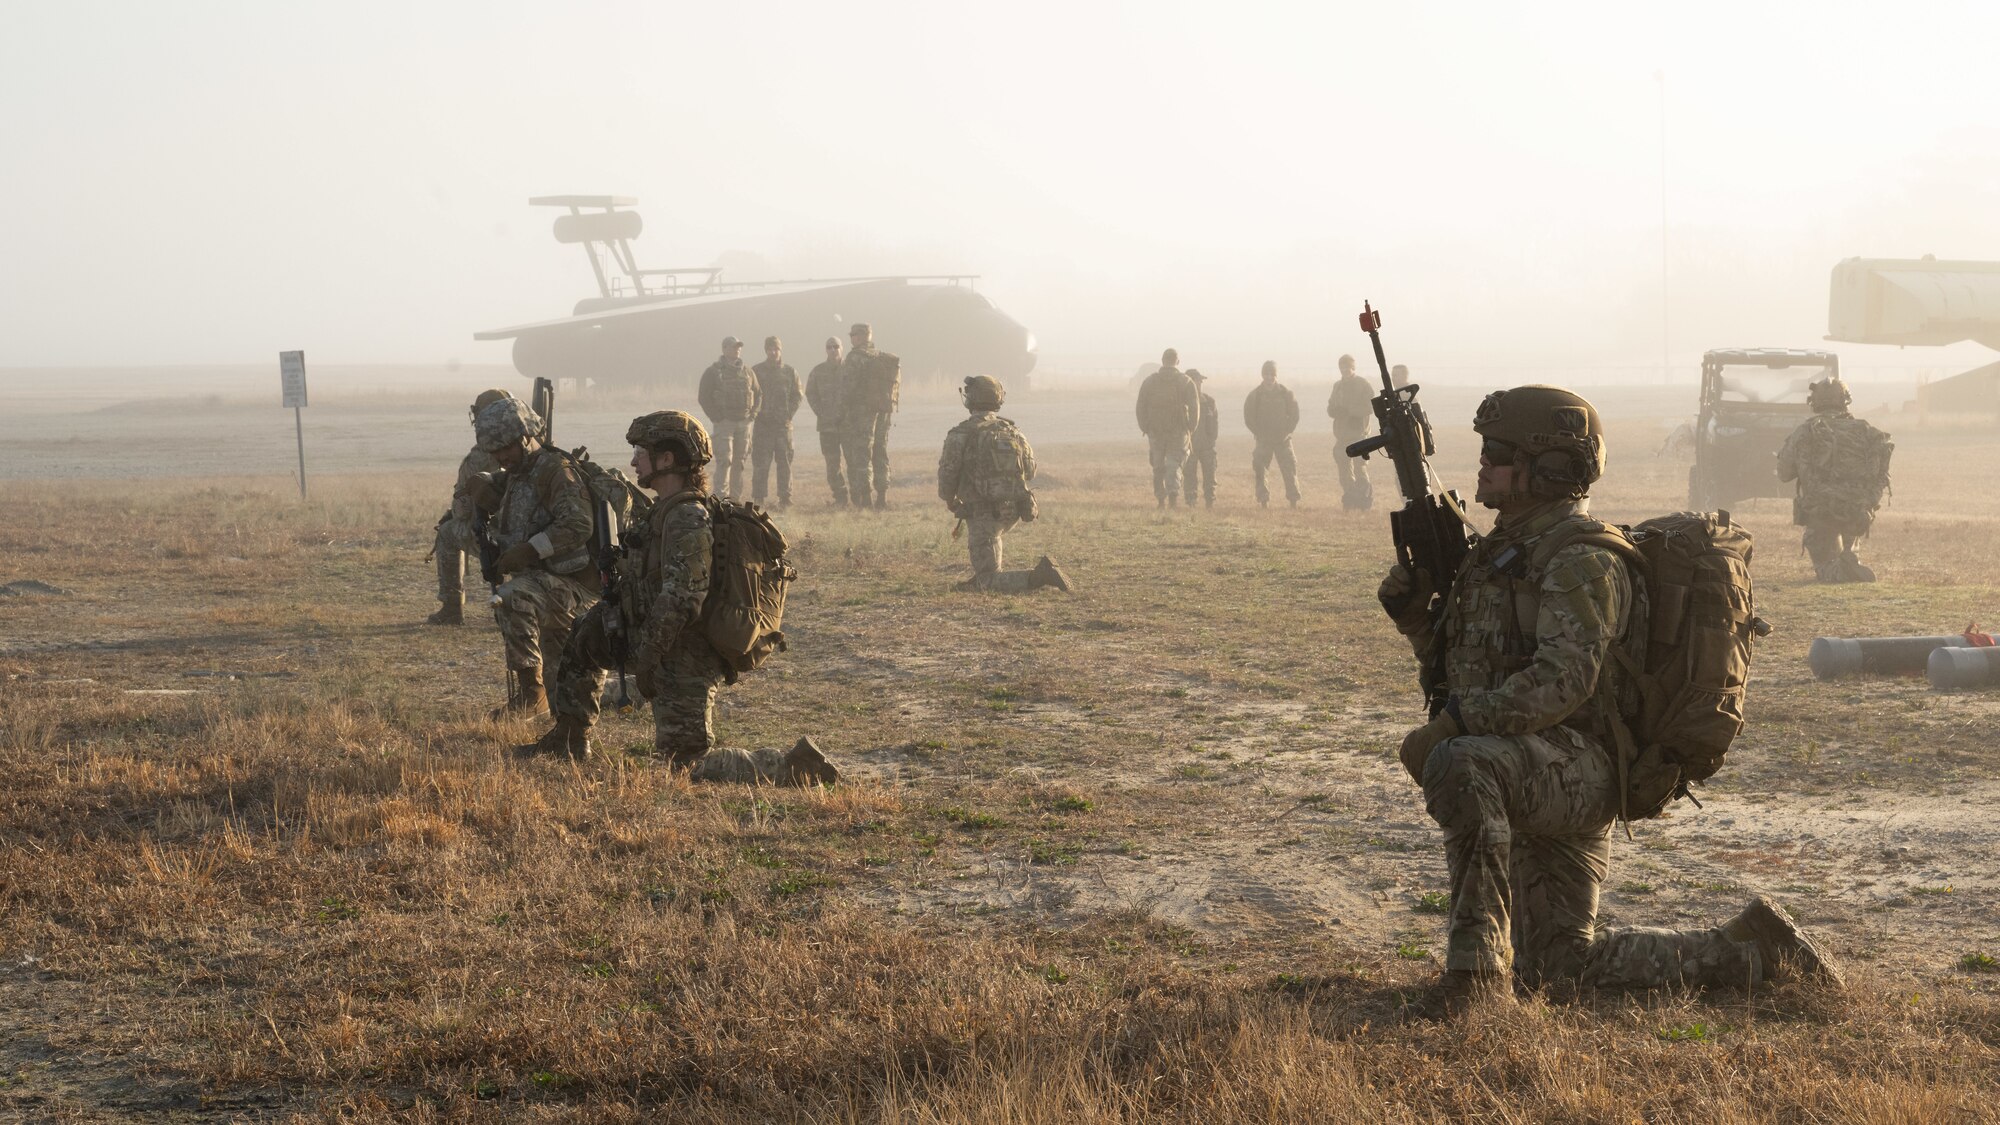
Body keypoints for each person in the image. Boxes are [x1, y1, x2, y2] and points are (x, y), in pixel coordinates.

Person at [1376, 385, 1840, 1012]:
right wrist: (1415, 621)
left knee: (1462, 761)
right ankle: (1752, 950)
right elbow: (1466, 672)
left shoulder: (1580, 559)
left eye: (1498, 451)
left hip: (1581, 769)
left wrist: (1456, 724)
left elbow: (1560, 684)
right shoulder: (1497, 552)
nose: (1482, 463)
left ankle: (1477, 980)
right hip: (1531, 763)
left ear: (1551, 468)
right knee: (1558, 970)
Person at [526, 411, 838, 785]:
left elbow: (683, 598)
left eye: (641, 452)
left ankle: (792, 766)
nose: (634, 461)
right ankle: (569, 739)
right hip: (655, 635)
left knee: (687, 763)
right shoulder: (663, 510)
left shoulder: (687, 517)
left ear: (667, 459)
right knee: (584, 636)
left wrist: (648, 660)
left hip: (685, 651)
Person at [470, 397, 597, 718]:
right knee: (564, 694)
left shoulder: (555, 471)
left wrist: (529, 550)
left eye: (507, 448)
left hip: (576, 588)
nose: (501, 457)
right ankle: (550, 709)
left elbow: (578, 524)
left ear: (526, 436)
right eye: (495, 452)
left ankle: (530, 695)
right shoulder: (517, 474)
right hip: (549, 585)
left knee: (511, 598)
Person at [936, 375, 1072, 594]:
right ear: (998, 400)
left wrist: (950, 498)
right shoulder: (1013, 431)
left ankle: (1038, 576)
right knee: (990, 548)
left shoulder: (960, 434)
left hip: (982, 513)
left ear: (969, 400)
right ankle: (981, 576)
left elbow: (947, 474)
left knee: (988, 580)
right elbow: (1030, 470)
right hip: (1015, 511)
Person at [1776, 376, 1892, 583]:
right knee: (1847, 553)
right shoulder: (1866, 432)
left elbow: (1784, 473)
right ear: (1846, 400)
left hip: (1821, 512)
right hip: (1857, 512)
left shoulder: (1805, 432)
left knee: (1825, 567)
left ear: (1814, 402)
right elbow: (1880, 475)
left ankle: (1839, 571)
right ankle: (1849, 562)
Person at [427, 388, 510, 625]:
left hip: (494, 534)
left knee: (447, 533)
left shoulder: (481, 457)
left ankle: (452, 607)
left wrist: (452, 515)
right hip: (530, 532)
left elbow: (464, 510)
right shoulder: (532, 448)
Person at [840, 322, 901, 510]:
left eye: (853, 335)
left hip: (862, 413)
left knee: (862, 454)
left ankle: (866, 498)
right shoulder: (881, 356)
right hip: (883, 411)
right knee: (880, 451)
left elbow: (848, 387)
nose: (852, 339)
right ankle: (882, 496)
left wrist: (845, 407)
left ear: (860, 336)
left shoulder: (855, 358)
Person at [1134, 348, 1201, 509]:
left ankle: (1160, 500)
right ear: (1177, 362)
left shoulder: (1150, 381)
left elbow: (1140, 406)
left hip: (1156, 432)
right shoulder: (1185, 381)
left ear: (1163, 361)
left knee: (1158, 466)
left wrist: (1146, 427)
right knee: (1174, 464)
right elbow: (1195, 408)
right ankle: (1172, 497)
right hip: (1178, 432)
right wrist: (1190, 428)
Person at [697, 336, 761, 499]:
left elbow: (759, 394)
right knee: (725, 461)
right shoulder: (714, 372)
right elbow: (703, 397)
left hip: (744, 424)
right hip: (724, 423)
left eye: (739, 347)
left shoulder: (747, 372)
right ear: (724, 349)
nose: (737, 349)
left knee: (739, 464)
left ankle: (735, 501)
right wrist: (716, 417)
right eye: (733, 347)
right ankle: (720, 499)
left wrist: (752, 415)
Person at [750, 335, 802, 509]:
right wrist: (755, 413)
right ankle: (758, 498)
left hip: (783, 426)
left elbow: (797, 395)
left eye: (776, 349)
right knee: (761, 464)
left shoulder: (790, 372)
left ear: (781, 350)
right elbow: (750, 394)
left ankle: (785, 497)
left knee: (785, 463)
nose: (773, 352)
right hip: (763, 426)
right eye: (770, 349)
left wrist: (788, 414)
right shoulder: (756, 371)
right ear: (766, 350)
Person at [1242, 361, 1301, 508]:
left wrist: (1287, 431)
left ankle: (1293, 501)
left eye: (1271, 374)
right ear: (1262, 375)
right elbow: (1248, 417)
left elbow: (1294, 415)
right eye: (1266, 374)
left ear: (1276, 375)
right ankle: (1264, 501)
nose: (1269, 377)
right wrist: (1258, 433)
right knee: (1260, 470)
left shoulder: (1286, 393)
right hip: (1263, 440)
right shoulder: (1255, 395)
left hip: (1283, 440)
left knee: (1289, 469)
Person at [804, 336, 850, 506]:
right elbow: (810, 393)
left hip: (848, 426)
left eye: (836, 346)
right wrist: (821, 412)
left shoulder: (850, 369)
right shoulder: (818, 371)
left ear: (842, 348)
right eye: (829, 347)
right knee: (832, 464)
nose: (833, 350)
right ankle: (840, 496)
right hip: (827, 427)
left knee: (853, 462)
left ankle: (859, 496)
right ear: (826, 350)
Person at [1327, 353, 1375, 510]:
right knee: (1344, 472)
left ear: (1353, 367)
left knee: (1360, 469)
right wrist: (1334, 411)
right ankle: (1351, 499)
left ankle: (1365, 501)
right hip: (1342, 435)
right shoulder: (1337, 386)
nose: (1345, 369)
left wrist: (1351, 412)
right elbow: (1331, 406)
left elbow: (1371, 406)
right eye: (1342, 366)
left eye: (1348, 366)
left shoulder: (1363, 384)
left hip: (1359, 435)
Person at [1184, 369, 1219, 509]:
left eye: (1200, 381)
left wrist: (1212, 441)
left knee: (1210, 475)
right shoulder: (1183, 402)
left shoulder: (1209, 402)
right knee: (1189, 476)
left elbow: (1215, 424)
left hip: (1207, 446)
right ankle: (1191, 502)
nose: (1199, 384)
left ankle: (1210, 502)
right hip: (1189, 446)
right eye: (1197, 381)